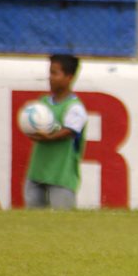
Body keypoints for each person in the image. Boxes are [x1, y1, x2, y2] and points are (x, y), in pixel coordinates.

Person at [23, 54, 87, 209]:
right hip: (36, 175)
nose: (50, 78)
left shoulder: (75, 107)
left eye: (54, 73)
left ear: (69, 77)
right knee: (32, 225)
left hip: (61, 178)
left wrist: (47, 136)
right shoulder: (43, 103)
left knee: (63, 226)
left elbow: (69, 132)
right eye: (49, 73)